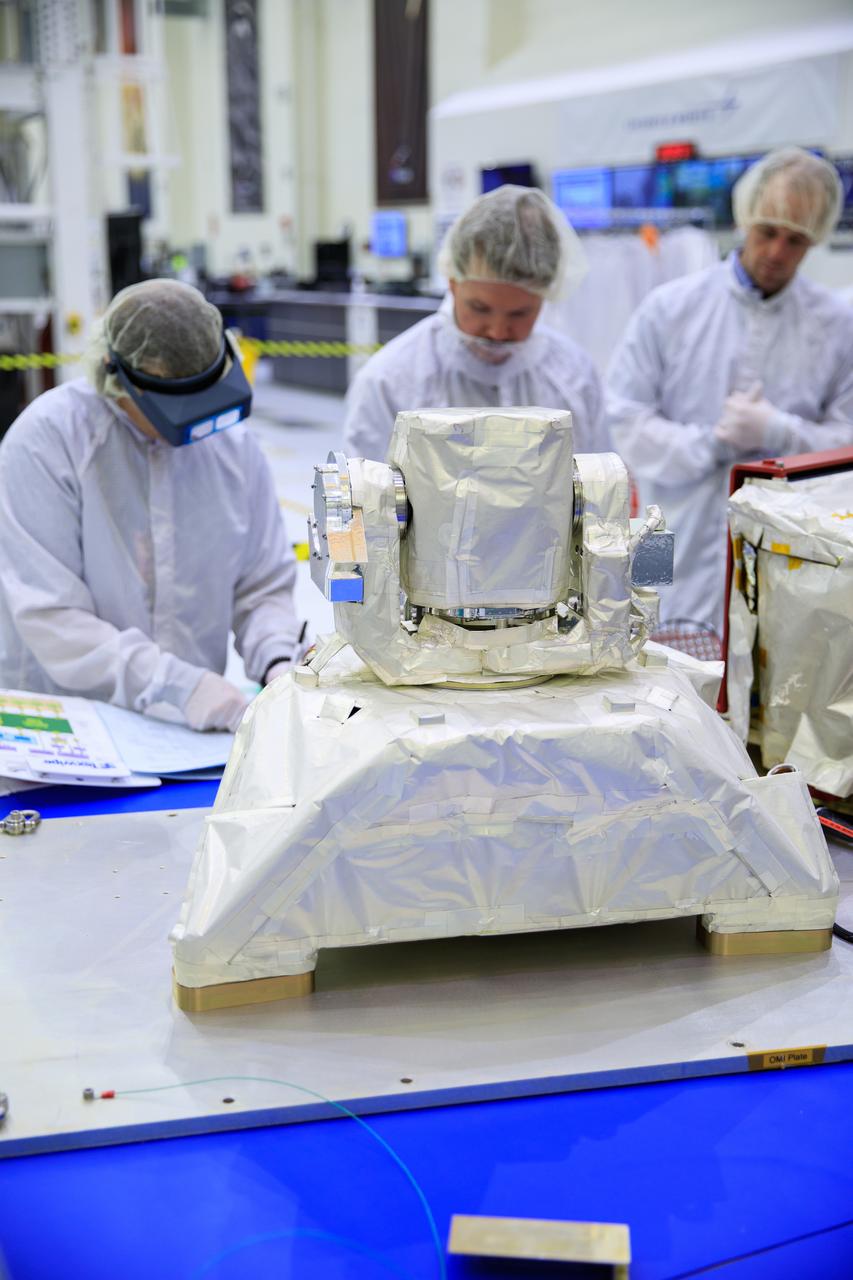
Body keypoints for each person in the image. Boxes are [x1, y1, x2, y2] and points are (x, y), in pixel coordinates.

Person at [0, 279, 303, 732]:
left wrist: (278, 660)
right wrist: (181, 688)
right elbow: (54, 617)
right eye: (178, 409)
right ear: (117, 376)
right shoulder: (47, 441)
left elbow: (260, 588)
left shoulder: (234, 449)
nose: (197, 426)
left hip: (190, 736)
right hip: (68, 724)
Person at [604, 147, 853, 633]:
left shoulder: (836, 325)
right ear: (744, 220)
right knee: (653, 638)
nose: (777, 252)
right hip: (665, 525)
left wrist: (780, 432)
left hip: (790, 545)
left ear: (815, 240)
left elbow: (847, 442)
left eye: (796, 240)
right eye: (767, 232)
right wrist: (710, 444)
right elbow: (626, 420)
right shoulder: (670, 308)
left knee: (772, 653)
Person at [343, 185, 605, 461]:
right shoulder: (389, 382)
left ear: (545, 297)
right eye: (480, 308)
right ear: (452, 283)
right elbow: (364, 483)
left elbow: (603, 477)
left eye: (519, 313)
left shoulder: (574, 376)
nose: (498, 332)